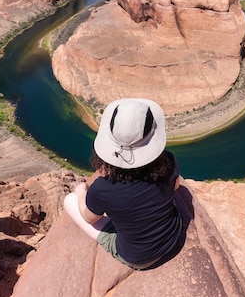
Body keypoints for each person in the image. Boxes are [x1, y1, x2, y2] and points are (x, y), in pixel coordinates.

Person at [64, 98, 183, 270]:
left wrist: (81, 190)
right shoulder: (169, 162)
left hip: (140, 258)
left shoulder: (103, 188)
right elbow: (176, 187)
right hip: (173, 234)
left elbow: (89, 218)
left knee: (69, 200)